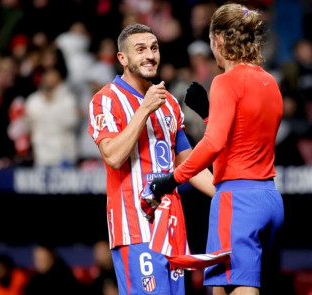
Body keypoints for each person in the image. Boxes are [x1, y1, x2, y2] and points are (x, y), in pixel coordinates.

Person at [150, 3, 284, 295]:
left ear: (219, 40)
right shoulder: (269, 81)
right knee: (221, 288)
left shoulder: (225, 81)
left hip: (238, 201)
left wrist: (173, 179)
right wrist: (210, 114)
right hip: (269, 199)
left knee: (240, 287)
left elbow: (213, 144)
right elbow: (245, 138)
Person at [87, 23, 215, 295]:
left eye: (154, 48)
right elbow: (113, 156)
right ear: (123, 58)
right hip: (135, 228)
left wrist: (225, 194)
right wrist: (143, 109)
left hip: (172, 229)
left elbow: (189, 164)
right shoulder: (106, 100)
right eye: (140, 49)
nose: (149, 55)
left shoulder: (169, 102)